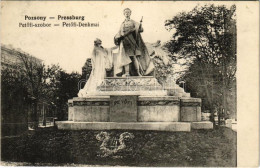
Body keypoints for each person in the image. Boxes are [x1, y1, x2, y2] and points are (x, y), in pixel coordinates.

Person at [114, 8, 152, 77]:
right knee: (125, 57)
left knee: (134, 57)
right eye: (125, 13)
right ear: (124, 14)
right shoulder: (122, 24)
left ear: (130, 13)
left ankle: (138, 72)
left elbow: (140, 30)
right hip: (124, 42)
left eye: (128, 12)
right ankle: (127, 73)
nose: (127, 14)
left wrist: (140, 26)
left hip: (131, 41)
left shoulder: (133, 22)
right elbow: (119, 33)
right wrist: (116, 37)